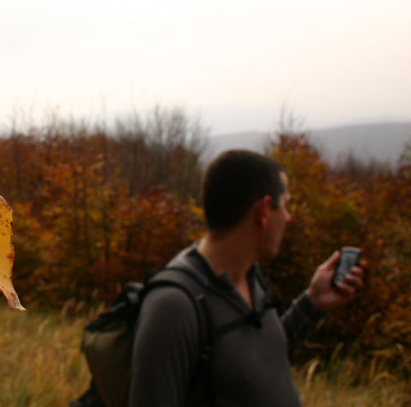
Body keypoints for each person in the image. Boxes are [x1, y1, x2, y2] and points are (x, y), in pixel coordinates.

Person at [128, 149, 365, 406]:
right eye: (284, 206)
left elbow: (255, 363)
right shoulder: (173, 306)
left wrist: (313, 303)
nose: (288, 218)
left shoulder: (251, 278)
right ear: (263, 212)